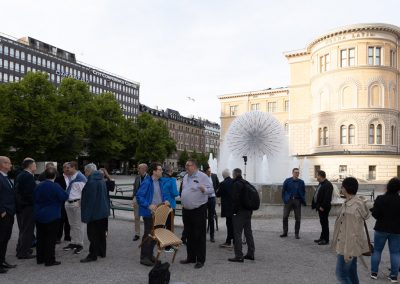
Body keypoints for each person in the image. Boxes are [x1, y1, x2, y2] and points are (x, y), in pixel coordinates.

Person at [332, 177, 370, 284]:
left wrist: (347, 253)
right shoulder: (352, 202)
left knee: (341, 275)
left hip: (347, 247)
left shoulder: (351, 208)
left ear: (346, 188)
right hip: (351, 247)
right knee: (351, 273)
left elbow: (352, 233)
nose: (341, 189)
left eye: (342, 187)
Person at [180, 159, 213, 269]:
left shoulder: (203, 176)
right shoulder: (185, 177)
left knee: (199, 235)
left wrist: (204, 189)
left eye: (188, 165)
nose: (186, 167)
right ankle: (191, 257)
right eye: (186, 165)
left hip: (198, 210)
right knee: (189, 234)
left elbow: (211, 190)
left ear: (194, 166)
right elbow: (184, 190)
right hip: (186, 210)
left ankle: (200, 259)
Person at [136, 162, 169, 266]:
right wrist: (148, 205)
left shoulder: (159, 182)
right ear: (154, 171)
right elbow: (139, 196)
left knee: (155, 236)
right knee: (148, 235)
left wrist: (165, 201)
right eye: (160, 169)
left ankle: (150, 255)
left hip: (158, 213)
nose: (162, 171)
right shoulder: (147, 182)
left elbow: (161, 195)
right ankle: (144, 257)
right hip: (149, 213)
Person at [34, 167, 68, 266]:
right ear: (55, 176)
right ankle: (49, 260)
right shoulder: (55, 186)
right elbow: (64, 196)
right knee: (50, 239)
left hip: (39, 214)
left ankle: (40, 258)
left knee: (40, 238)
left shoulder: (38, 185)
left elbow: (34, 198)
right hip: (52, 215)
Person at [370, 177, 400, 282]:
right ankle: (393, 276)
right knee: (395, 253)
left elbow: (375, 214)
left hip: (381, 229)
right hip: (397, 231)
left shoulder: (380, 199)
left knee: (377, 251)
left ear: (387, 187)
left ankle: (374, 273)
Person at [80, 164, 110, 263]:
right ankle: (101, 252)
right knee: (101, 233)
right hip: (103, 211)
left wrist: (86, 216)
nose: (85, 173)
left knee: (92, 235)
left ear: (89, 171)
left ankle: (92, 255)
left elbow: (90, 201)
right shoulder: (101, 179)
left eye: (85, 171)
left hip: (95, 213)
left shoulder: (91, 182)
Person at [228, 168, 255, 262]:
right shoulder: (246, 182)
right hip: (248, 211)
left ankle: (239, 255)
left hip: (240, 212)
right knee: (248, 233)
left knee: (237, 234)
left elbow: (235, 199)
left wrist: (234, 211)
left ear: (234, 174)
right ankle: (251, 253)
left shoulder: (236, 184)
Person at [63, 161, 87, 254]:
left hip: (77, 203)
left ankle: (80, 244)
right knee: (72, 224)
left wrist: (82, 204)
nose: (66, 169)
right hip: (69, 203)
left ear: (74, 167)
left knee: (79, 225)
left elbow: (84, 193)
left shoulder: (80, 178)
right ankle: (73, 242)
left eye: (68, 167)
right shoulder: (70, 177)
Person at [15, 157, 37, 259]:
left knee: (23, 229)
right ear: (30, 165)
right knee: (27, 230)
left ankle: (21, 249)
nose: (36, 166)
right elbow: (29, 194)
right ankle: (23, 252)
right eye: (34, 164)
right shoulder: (28, 176)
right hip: (27, 207)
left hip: (21, 206)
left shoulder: (21, 175)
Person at [0, 156, 17, 274]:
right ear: (2, 164)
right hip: (4, 213)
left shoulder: (5, 177)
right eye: (9, 163)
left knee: (5, 238)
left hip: (10, 212)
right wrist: (2, 211)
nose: (11, 165)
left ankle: (2, 260)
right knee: (1, 239)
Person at [280, 168, 306, 239]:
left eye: (298, 173)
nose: (297, 174)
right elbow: (283, 191)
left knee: (298, 218)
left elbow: (303, 191)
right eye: (295, 172)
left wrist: (301, 199)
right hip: (289, 200)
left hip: (297, 201)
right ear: (292, 173)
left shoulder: (301, 182)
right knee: (285, 216)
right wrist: (285, 199)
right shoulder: (287, 181)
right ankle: (285, 232)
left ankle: (296, 233)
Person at [312, 170, 333, 245]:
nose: (316, 177)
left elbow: (327, 198)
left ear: (320, 176)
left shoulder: (328, 184)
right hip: (320, 207)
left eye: (317, 175)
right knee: (322, 223)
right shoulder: (321, 183)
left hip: (323, 208)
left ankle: (326, 240)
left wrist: (322, 207)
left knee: (324, 223)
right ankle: (322, 237)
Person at [216, 169, 234, 248]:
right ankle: (234, 241)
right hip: (234, 207)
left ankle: (228, 241)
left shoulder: (223, 183)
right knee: (233, 224)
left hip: (227, 207)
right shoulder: (234, 181)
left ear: (223, 176)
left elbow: (218, 194)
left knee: (229, 224)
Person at [55, 163, 71, 244]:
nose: (67, 169)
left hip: (71, 201)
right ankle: (58, 237)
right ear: (63, 169)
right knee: (61, 219)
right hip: (61, 202)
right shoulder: (58, 178)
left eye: (69, 167)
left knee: (69, 220)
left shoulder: (73, 178)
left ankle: (67, 236)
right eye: (66, 167)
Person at [160, 165, 179, 232]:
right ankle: (168, 241)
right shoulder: (172, 180)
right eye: (172, 170)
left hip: (161, 205)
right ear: (170, 171)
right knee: (169, 226)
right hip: (170, 205)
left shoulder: (160, 180)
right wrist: (179, 192)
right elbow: (175, 193)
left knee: (161, 225)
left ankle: (160, 241)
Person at [132, 163, 148, 241]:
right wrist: (134, 197)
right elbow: (135, 187)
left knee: (146, 218)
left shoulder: (149, 178)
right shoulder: (137, 177)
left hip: (146, 201)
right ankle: (137, 234)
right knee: (136, 217)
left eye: (139, 168)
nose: (137, 169)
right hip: (137, 199)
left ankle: (147, 234)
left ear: (144, 169)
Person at [205, 165, 219, 243]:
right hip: (204, 198)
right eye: (208, 172)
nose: (210, 173)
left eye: (210, 171)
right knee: (203, 216)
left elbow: (217, 185)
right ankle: (202, 235)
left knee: (211, 217)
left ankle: (212, 236)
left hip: (212, 198)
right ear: (205, 172)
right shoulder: (202, 177)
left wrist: (214, 191)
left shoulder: (214, 176)